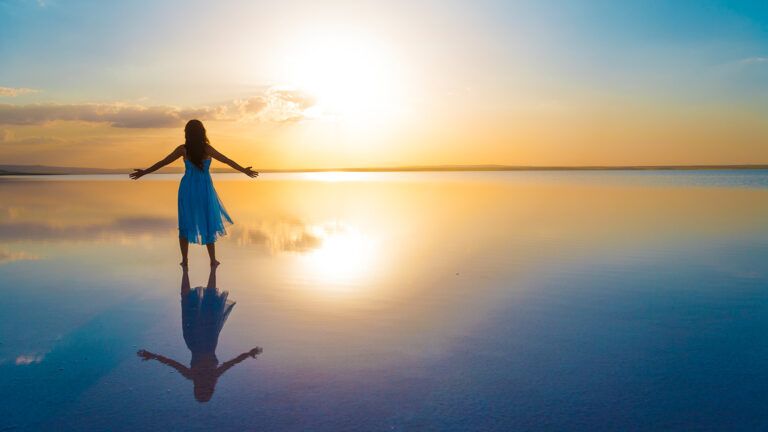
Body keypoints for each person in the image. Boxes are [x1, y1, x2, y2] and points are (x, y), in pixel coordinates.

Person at [129, 119, 258, 267]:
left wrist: (144, 172)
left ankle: (185, 260)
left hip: (188, 189)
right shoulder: (206, 149)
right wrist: (244, 170)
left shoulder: (183, 149)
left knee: (185, 222)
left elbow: (163, 162)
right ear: (202, 132)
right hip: (204, 189)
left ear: (187, 134)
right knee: (208, 221)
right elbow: (227, 160)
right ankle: (212, 260)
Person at [137, 264, 262, 403]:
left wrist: (153, 356)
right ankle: (196, 268)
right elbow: (233, 362)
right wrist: (249, 354)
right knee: (202, 303)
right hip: (200, 337)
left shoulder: (200, 375)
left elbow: (171, 363)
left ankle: (193, 268)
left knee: (204, 303)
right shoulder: (203, 375)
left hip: (198, 337)